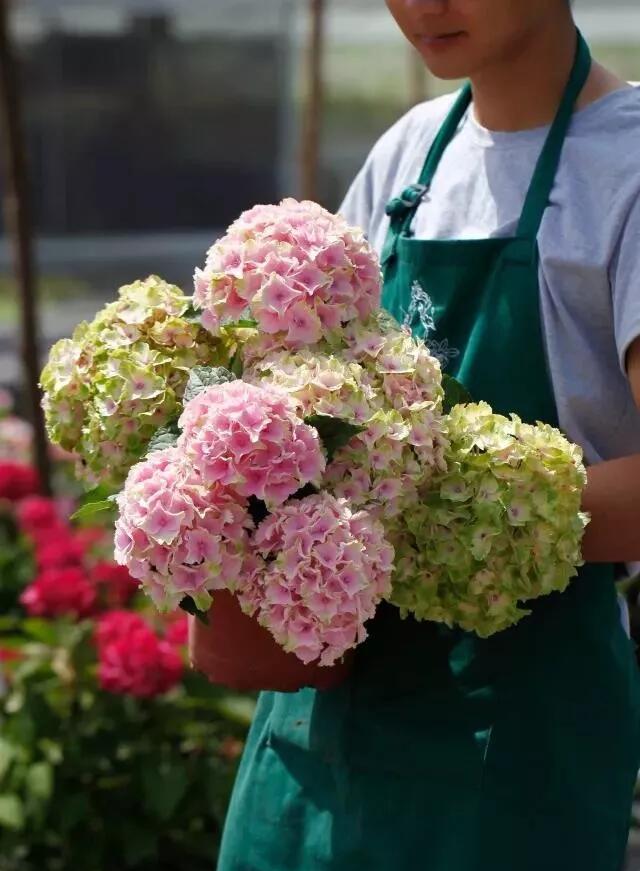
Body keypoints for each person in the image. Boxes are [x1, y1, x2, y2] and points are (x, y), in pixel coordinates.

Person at [205, 2, 640, 869]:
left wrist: (417, 509)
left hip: (514, 730)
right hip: (321, 730)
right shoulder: (410, 152)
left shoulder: (625, 164)